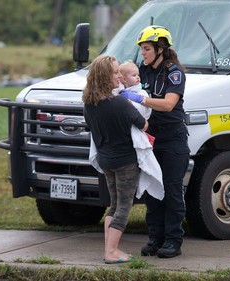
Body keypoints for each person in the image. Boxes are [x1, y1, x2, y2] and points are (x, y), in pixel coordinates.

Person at [121, 25, 190, 258]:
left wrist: (141, 98)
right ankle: (155, 238)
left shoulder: (174, 72)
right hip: (151, 139)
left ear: (161, 48)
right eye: (142, 49)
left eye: (147, 48)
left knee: (171, 190)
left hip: (173, 140)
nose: (143, 53)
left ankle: (173, 241)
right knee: (152, 190)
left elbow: (169, 104)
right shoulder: (144, 70)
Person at [83, 55, 148, 264]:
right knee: (124, 206)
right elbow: (143, 124)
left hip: (106, 161)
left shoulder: (89, 104)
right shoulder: (120, 103)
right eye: (115, 72)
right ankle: (111, 252)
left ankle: (109, 248)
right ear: (104, 77)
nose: (119, 76)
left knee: (114, 204)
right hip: (125, 162)